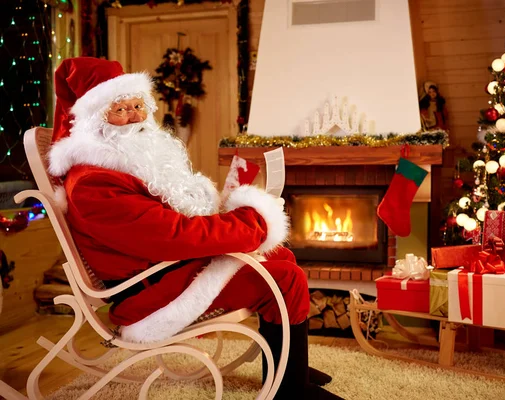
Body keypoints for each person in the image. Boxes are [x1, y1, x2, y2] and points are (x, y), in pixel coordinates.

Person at [47, 57, 343, 400]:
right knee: (283, 276)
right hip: (149, 291)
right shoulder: (93, 183)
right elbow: (174, 236)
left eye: (138, 106)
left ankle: (288, 367)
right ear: (94, 121)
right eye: (119, 110)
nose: (135, 117)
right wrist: (253, 222)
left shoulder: (123, 165)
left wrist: (244, 221)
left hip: (166, 269)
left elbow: (173, 227)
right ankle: (291, 392)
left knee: (281, 255)